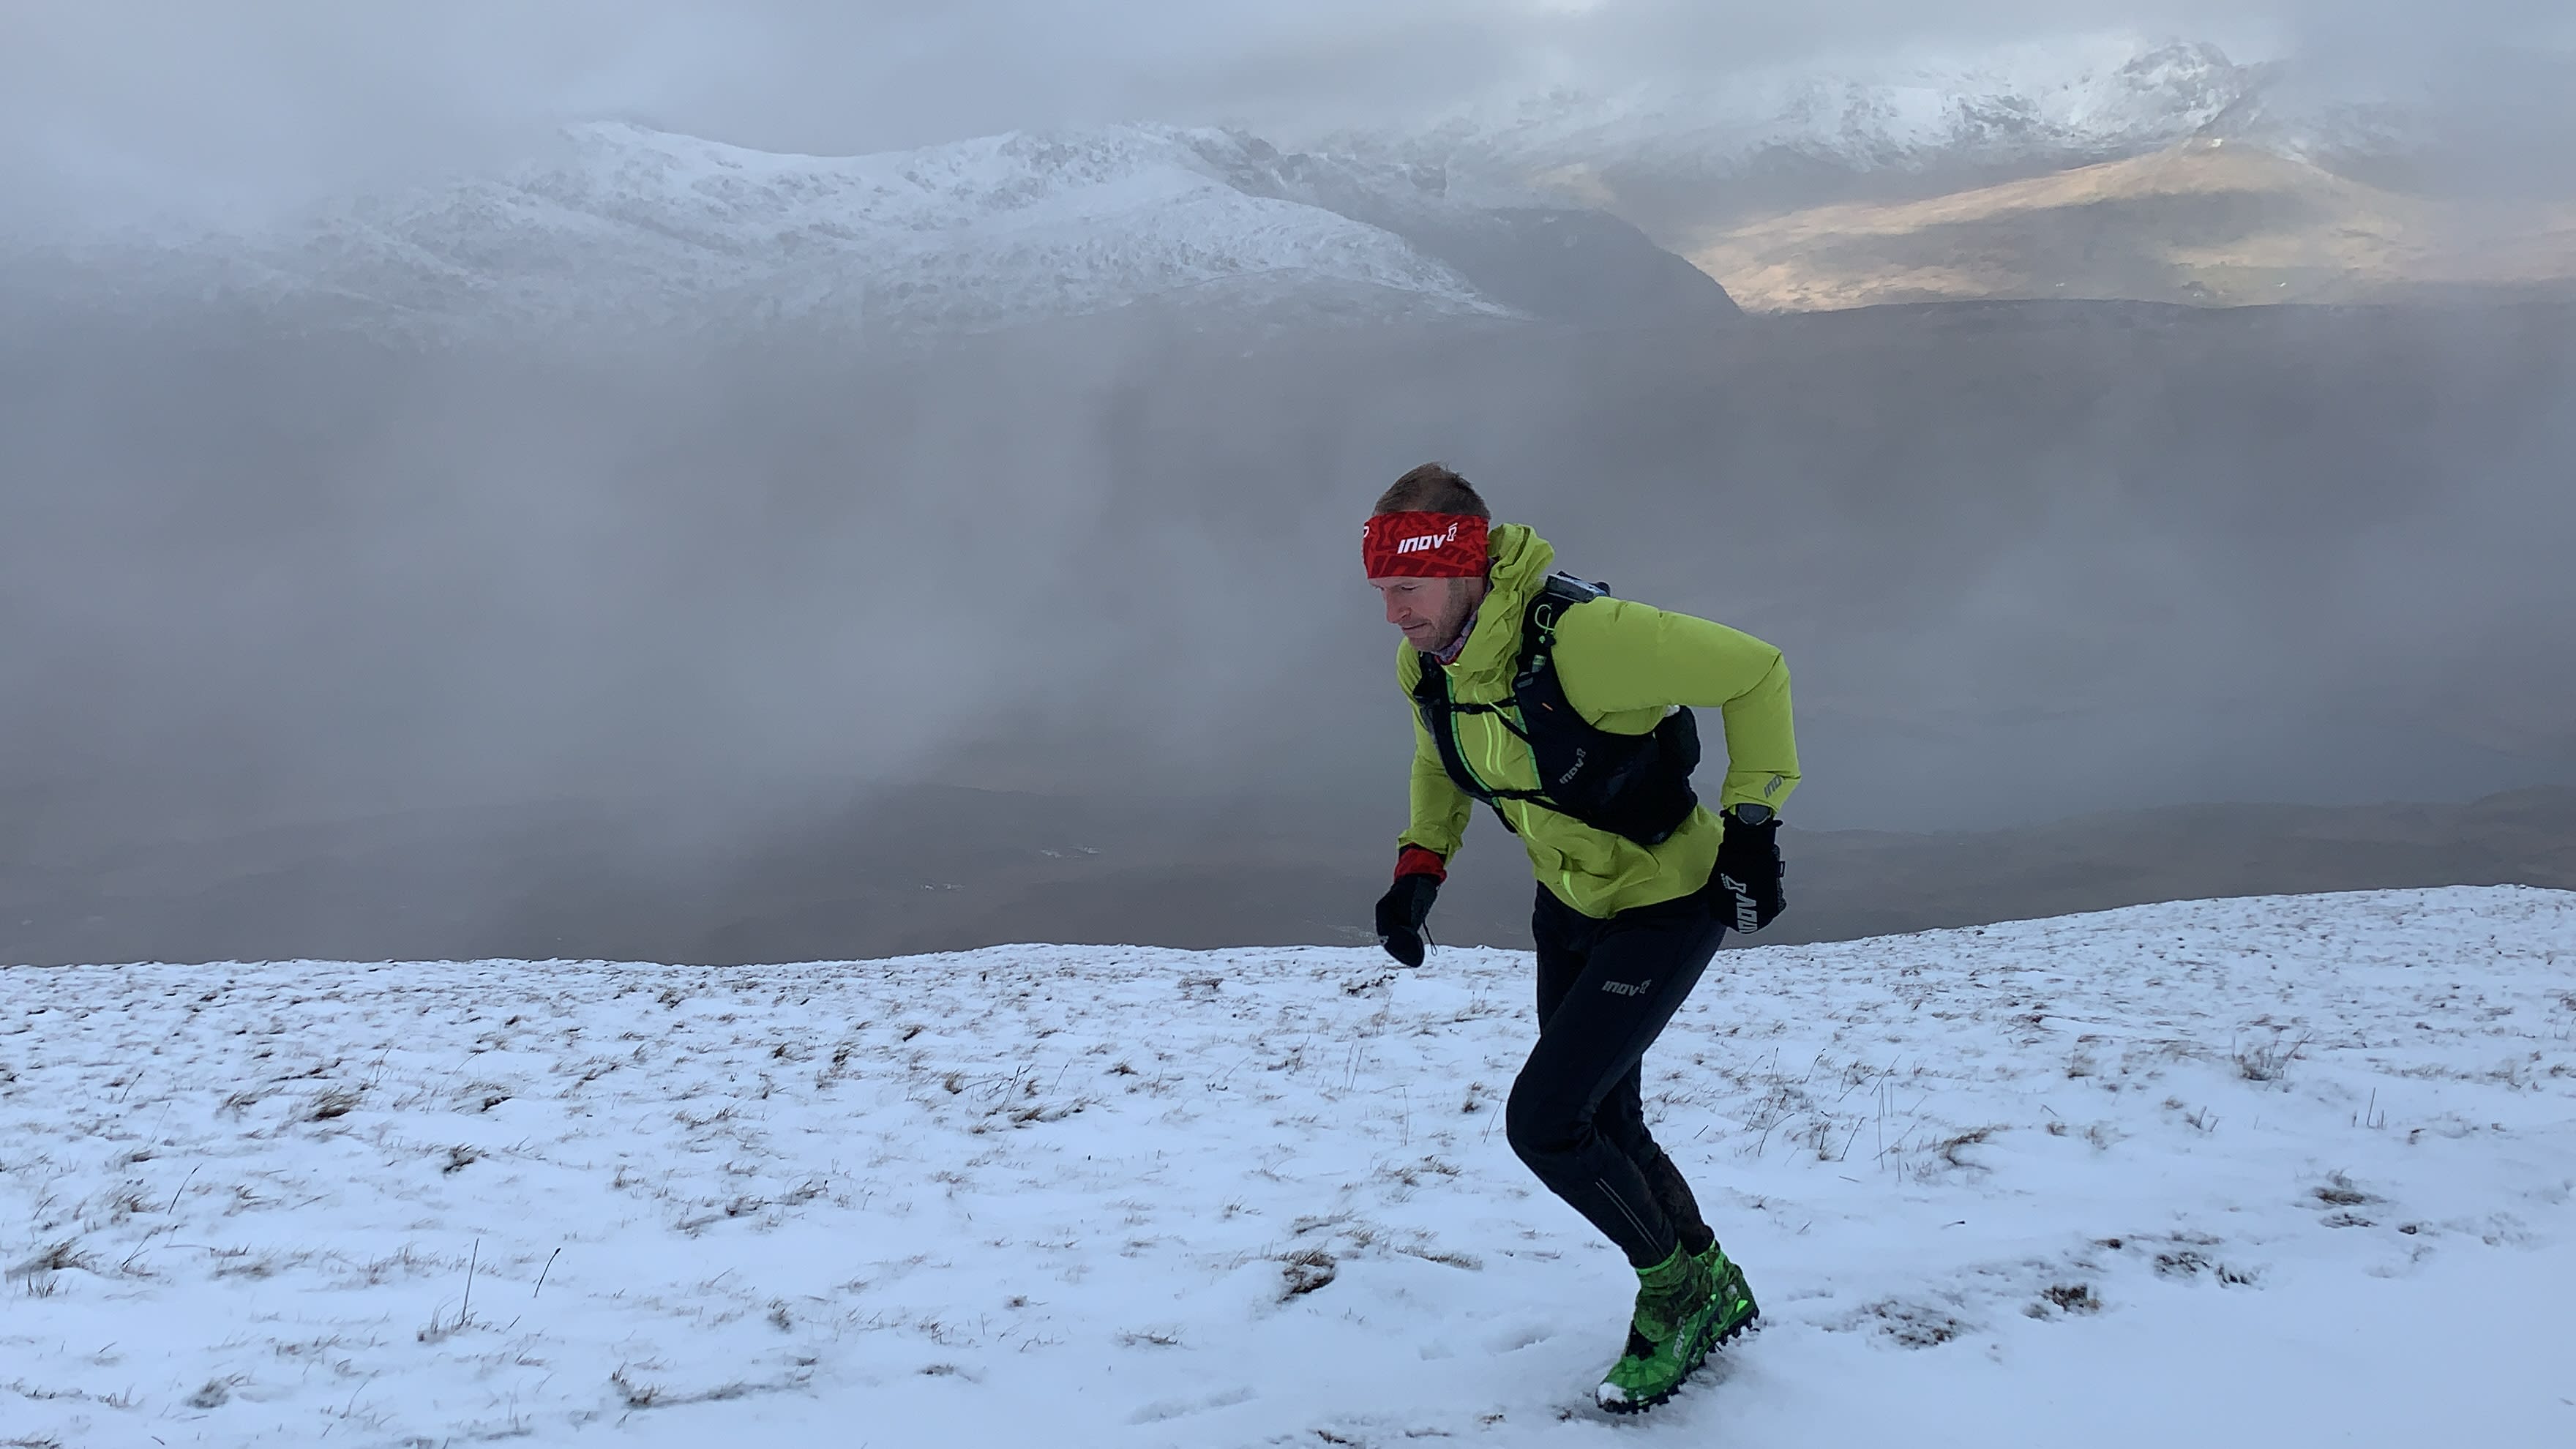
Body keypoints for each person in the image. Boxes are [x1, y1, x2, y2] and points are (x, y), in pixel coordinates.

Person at [1362, 462, 1798, 1413]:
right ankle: (1712, 1282)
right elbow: (1438, 757)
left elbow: (1756, 669)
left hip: (1667, 901)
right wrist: (1420, 866)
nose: (1394, 614)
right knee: (1605, 1118)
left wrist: (1752, 826)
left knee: (1547, 1123)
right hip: (1567, 904)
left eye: (1410, 587)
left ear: (1465, 569)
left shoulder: (1587, 640)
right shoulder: (1429, 664)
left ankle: (1673, 1296)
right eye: (1383, 591)